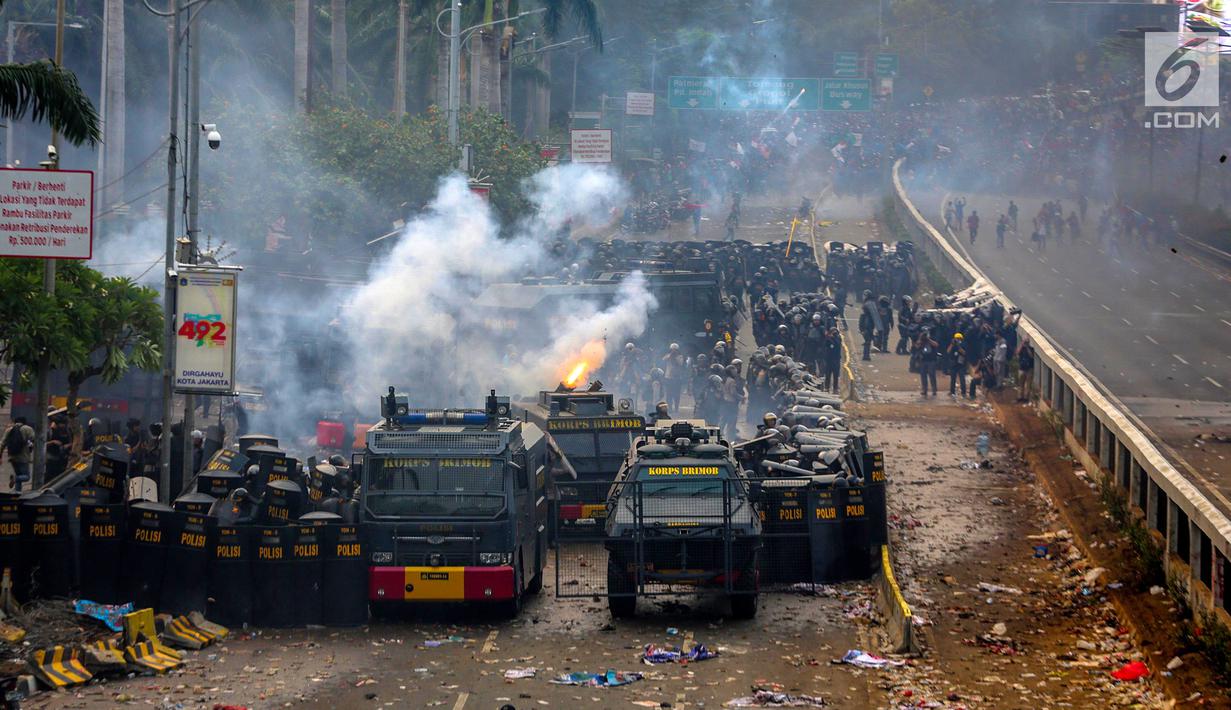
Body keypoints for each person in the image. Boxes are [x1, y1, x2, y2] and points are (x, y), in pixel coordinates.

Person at [2, 417, 34, 492]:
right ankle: (15, 479)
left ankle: (17, 492)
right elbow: (34, 439)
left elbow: (2, 443)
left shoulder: (9, 429)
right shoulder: (27, 429)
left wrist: (0, 455)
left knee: (18, 474)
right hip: (23, 457)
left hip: (12, 457)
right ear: (24, 422)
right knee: (26, 477)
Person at [912, 329, 939, 397]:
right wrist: (921, 339)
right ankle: (924, 390)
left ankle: (934, 390)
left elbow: (936, 345)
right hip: (923, 360)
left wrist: (928, 339)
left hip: (931, 360)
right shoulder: (920, 339)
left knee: (932, 375)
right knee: (923, 375)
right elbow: (916, 346)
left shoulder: (932, 337)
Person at [947, 332, 968, 397]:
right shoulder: (952, 345)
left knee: (962, 378)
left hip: (961, 364)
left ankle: (963, 392)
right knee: (953, 378)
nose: (958, 340)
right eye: (956, 339)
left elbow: (964, 353)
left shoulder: (964, 344)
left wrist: (958, 346)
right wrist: (952, 344)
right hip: (954, 363)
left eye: (959, 339)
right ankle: (952, 391)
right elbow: (948, 351)